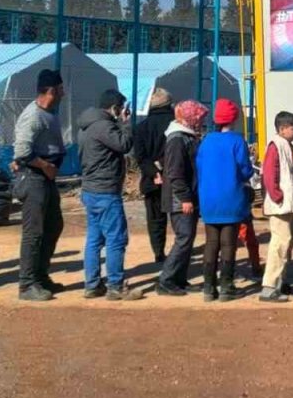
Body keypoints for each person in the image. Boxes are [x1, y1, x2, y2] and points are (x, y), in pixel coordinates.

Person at [78, 89, 142, 301]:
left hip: (90, 188)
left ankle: (92, 284)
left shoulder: (86, 126)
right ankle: (115, 285)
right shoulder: (104, 126)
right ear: (115, 108)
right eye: (121, 108)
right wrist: (125, 124)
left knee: (95, 239)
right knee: (116, 238)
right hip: (105, 190)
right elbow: (124, 145)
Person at [11, 69, 66, 302]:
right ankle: (27, 284)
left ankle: (41, 275)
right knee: (34, 232)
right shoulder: (33, 115)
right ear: (52, 91)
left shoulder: (50, 113)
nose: (64, 94)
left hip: (46, 178)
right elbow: (22, 152)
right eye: (61, 90)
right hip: (34, 178)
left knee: (54, 225)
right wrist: (45, 166)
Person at [196, 99, 254, 302]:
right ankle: (226, 286)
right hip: (231, 196)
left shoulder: (206, 141)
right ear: (234, 118)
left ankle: (208, 287)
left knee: (211, 242)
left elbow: (200, 168)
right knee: (228, 243)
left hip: (208, 198)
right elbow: (245, 170)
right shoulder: (237, 141)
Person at [156, 100, 208, 296]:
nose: (201, 122)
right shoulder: (177, 139)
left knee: (187, 238)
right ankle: (166, 280)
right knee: (184, 238)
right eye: (199, 118)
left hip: (185, 196)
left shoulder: (185, 136)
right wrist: (185, 198)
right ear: (190, 118)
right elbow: (175, 172)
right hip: (180, 199)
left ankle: (178, 278)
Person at [260, 111, 293, 303]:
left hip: (287, 203)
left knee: (288, 242)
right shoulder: (276, 146)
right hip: (281, 204)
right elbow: (269, 173)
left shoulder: (286, 146)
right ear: (283, 129)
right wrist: (277, 195)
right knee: (280, 242)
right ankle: (269, 286)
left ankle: (280, 281)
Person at [133, 88, 174, 263]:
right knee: (179, 217)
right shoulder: (175, 124)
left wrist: (154, 172)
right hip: (175, 177)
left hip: (152, 179)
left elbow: (140, 157)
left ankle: (158, 252)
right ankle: (180, 251)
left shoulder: (141, 127)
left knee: (155, 217)